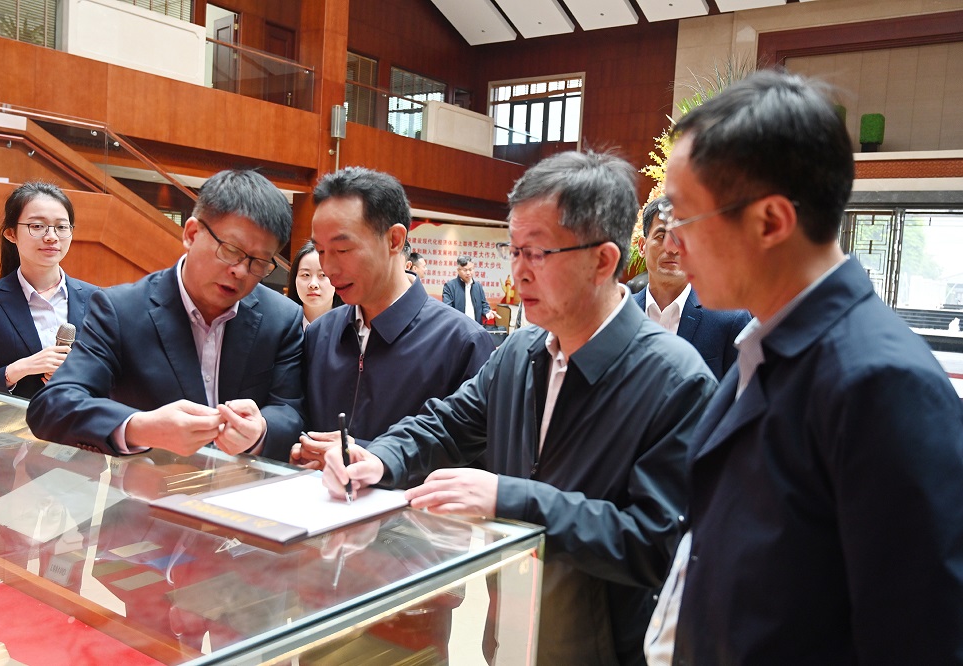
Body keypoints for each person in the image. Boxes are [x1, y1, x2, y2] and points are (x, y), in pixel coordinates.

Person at [322, 151, 717, 665]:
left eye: (538, 253)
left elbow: (655, 543)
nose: (519, 273)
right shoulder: (521, 352)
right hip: (512, 635)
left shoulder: (676, 380)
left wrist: (511, 498)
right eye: (514, 251)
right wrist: (381, 456)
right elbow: (449, 422)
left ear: (603, 261)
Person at [650, 70, 963, 665]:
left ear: (771, 221)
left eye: (683, 218)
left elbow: (919, 637)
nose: (671, 244)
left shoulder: (881, 383)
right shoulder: (763, 343)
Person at [26, 169, 305, 461]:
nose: (241, 271)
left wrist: (260, 431)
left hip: (245, 486)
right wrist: (141, 428)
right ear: (192, 234)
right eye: (231, 250)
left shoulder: (281, 317)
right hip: (147, 483)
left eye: (258, 262)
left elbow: (290, 409)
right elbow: (53, 405)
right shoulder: (121, 310)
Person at [294, 167, 495, 462]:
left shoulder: (463, 342)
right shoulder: (320, 333)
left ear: (395, 240)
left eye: (343, 249)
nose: (329, 268)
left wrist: (366, 455)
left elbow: (477, 460)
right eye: (321, 251)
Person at [0, 182, 98, 399]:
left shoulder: (98, 300)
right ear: (11, 234)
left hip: (79, 420)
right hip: (12, 421)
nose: (52, 236)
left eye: (62, 227)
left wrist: (82, 378)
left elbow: (120, 375)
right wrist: (18, 369)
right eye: (37, 226)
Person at [633, 195, 750, 379]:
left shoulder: (729, 318)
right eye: (661, 236)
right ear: (642, 246)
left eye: (681, 238)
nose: (671, 248)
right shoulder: (619, 314)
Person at [288, 240, 341, 329]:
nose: (313, 284)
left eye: (323, 275)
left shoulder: (353, 325)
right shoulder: (281, 327)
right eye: (306, 275)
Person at [442, 254, 498, 325]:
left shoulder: (478, 286)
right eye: (465, 270)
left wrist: (487, 312)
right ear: (458, 270)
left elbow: (484, 304)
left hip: (476, 327)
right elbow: (447, 309)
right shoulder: (450, 286)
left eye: (470, 269)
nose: (468, 273)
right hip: (458, 327)